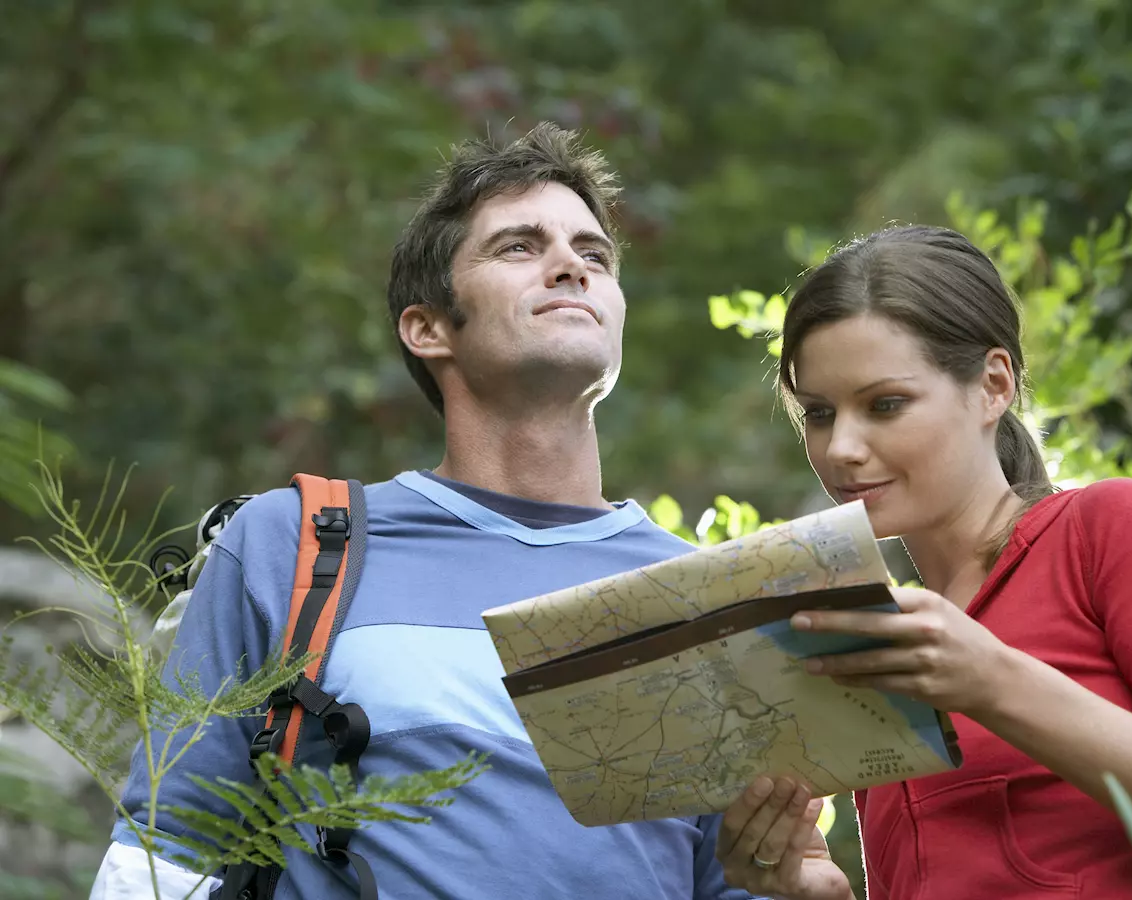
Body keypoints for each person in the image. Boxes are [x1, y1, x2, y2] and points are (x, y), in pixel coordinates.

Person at [89, 123, 755, 900]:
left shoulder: (705, 597)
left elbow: (731, 884)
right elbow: (158, 863)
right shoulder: (296, 544)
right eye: (518, 247)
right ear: (428, 327)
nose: (571, 266)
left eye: (594, 254)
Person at [713, 225, 1132, 900]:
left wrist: (995, 682)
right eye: (820, 414)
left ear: (993, 385)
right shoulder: (885, 636)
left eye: (885, 404)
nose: (842, 447)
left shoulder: (1109, 531)